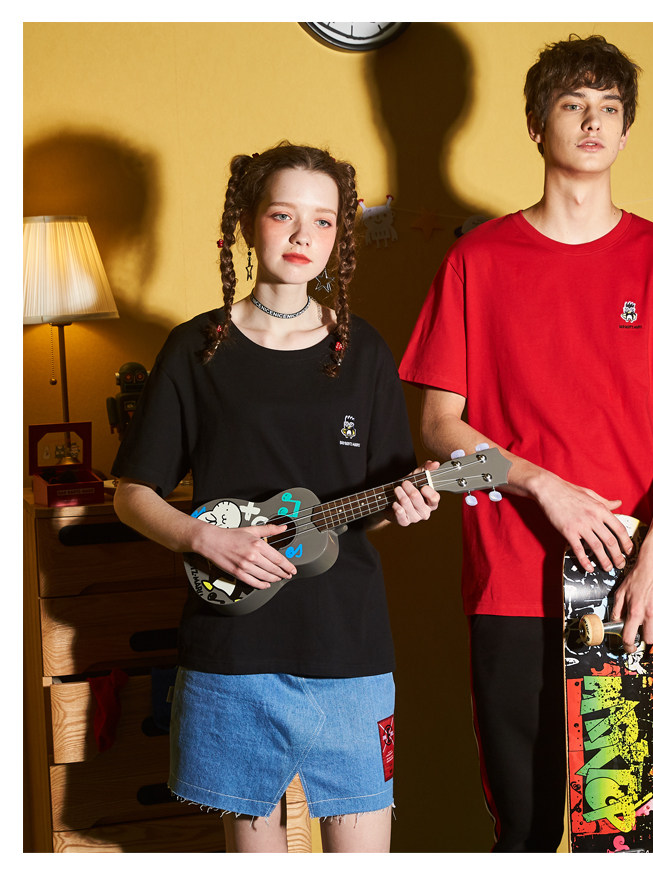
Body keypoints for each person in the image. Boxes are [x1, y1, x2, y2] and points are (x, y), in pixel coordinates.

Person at [399, 35, 653, 852]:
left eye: (609, 108)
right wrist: (543, 485)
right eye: (573, 104)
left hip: (630, 585)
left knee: (652, 832)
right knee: (529, 829)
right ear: (536, 124)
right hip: (510, 584)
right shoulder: (477, 261)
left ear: (625, 130)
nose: (592, 122)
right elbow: (437, 430)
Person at [112, 142, 440, 853]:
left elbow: (377, 505)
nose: (302, 235)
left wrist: (406, 505)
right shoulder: (195, 347)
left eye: (322, 221)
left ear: (339, 238)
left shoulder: (364, 352)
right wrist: (200, 536)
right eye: (283, 214)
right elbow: (132, 493)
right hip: (233, 649)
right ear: (248, 222)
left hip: (347, 648)